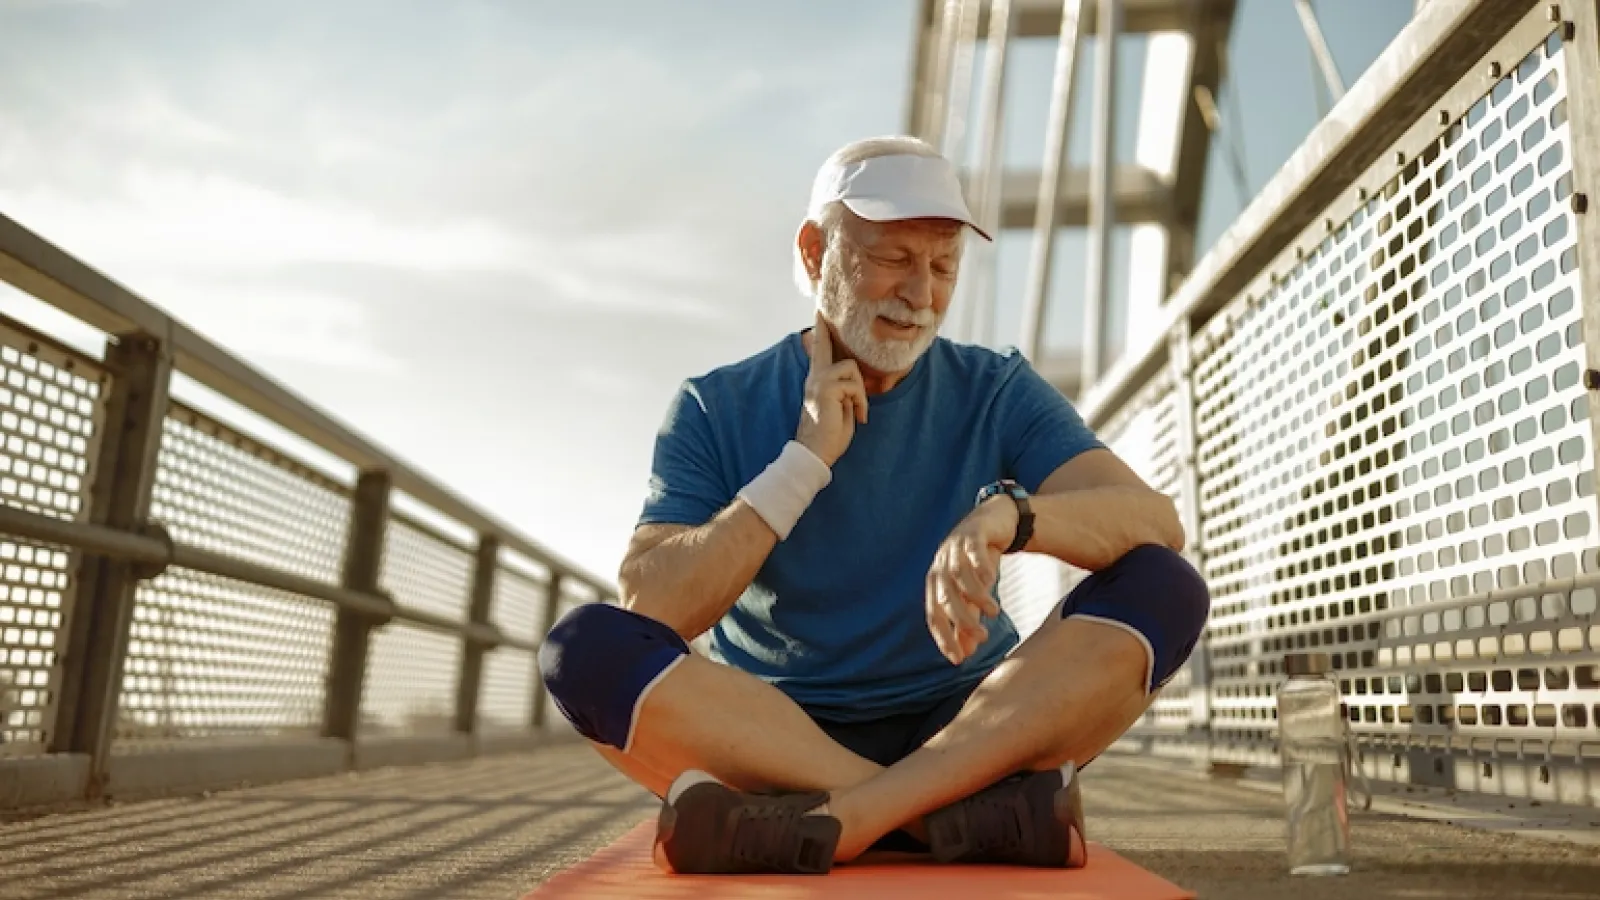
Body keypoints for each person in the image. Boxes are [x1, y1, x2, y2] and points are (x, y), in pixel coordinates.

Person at [538, 135, 1210, 876]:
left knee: (1165, 585)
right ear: (813, 253)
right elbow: (651, 605)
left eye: (943, 265)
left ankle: (851, 818)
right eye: (893, 258)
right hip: (771, 734)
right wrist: (803, 462)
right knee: (581, 651)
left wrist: (1010, 517)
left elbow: (1154, 521)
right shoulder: (714, 404)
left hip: (971, 720)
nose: (921, 296)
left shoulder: (994, 387)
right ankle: (940, 818)